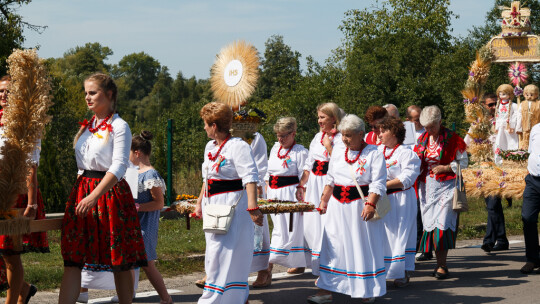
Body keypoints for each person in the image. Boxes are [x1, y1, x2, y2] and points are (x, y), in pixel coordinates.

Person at [59, 73, 147, 304]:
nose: (87, 98)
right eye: (85, 93)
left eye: (93, 92)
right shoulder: (88, 126)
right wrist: (81, 196)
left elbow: (118, 167)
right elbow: (82, 166)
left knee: (118, 262)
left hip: (109, 195)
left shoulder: (120, 126)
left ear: (109, 95)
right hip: (83, 191)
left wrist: (93, 196)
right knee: (73, 259)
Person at [308, 114, 387, 304]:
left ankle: (366, 289)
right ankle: (326, 290)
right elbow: (330, 179)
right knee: (332, 246)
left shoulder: (374, 153)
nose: (344, 139)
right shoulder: (337, 151)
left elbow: (378, 183)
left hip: (360, 208)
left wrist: (370, 203)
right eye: (343, 135)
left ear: (361, 134)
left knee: (361, 246)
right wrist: (324, 201)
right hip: (337, 207)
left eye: (349, 135)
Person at [194, 102, 263, 303]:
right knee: (214, 253)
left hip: (232, 207)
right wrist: (199, 203)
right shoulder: (210, 146)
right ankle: (232, 297)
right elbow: (207, 179)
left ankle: (219, 298)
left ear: (214, 125)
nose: (204, 128)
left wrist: (253, 207)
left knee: (227, 254)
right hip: (212, 206)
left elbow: (250, 177)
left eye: (205, 124)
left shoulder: (238, 146)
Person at [0, 75, 48, 304]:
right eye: (0, 91)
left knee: (11, 253)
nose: (3, 95)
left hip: (17, 194)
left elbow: (31, 166)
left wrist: (31, 203)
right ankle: (25, 289)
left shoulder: (27, 123)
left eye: (8, 91)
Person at [414, 105, 468, 280]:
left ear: (440, 122)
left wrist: (446, 167)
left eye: (432, 127)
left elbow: (464, 163)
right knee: (429, 225)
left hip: (447, 186)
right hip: (426, 187)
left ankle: (442, 265)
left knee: (442, 225)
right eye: (426, 127)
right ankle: (436, 263)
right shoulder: (422, 139)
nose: (429, 130)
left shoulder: (453, 139)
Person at [296, 102, 345, 278]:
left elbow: (341, 162)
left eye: (322, 117)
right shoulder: (317, 137)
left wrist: (328, 146)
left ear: (333, 118)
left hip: (328, 182)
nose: (319, 121)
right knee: (312, 223)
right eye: (318, 117)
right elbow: (309, 163)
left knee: (328, 222)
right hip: (314, 183)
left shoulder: (341, 138)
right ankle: (316, 264)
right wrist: (302, 185)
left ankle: (330, 264)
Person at [377, 117, 420, 287]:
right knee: (382, 234)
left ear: (394, 133)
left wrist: (381, 185)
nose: (379, 134)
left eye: (383, 131)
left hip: (401, 199)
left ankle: (401, 271)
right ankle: (382, 270)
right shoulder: (377, 151)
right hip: (382, 197)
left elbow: (407, 178)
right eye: (379, 131)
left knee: (399, 234)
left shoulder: (407, 153)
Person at [129, 131, 172, 304]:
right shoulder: (133, 173)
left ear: (137, 153)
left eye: (129, 153)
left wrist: (137, 207)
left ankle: (166, 298)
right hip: (134, 224)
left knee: (147, 263)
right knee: (130, 262)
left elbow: (159, 203)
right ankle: (128, 296)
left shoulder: (150, 175)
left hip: (146, 226)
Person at [266, 117, 310, 276]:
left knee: (289, 230)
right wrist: (266, 188)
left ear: (293, 133)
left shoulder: (300, 152)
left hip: (290, 194)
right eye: (278, 135)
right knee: (278, 227)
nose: (280, 139)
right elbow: (268, 171)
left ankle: (268, 266)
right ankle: (298, 262)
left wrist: (302, 195)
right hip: (273, 193)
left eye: (284, 135)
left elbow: (304, 175)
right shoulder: (274, 148)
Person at [469, 93, 510, 253]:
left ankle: (491, 240)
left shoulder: (503, 122)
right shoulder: (477, 125)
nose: (493, 107)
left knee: (493, 205)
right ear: (483, 106)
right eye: (490, 104)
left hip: (501, 168)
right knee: (493, 205)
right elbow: (467, 143)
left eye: (495, 104)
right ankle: (500, 239)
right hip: (485, 168)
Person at [249, 131, 271, 288]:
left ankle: (264, 269)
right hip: (231, 191)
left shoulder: (253, 136)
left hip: (252, 186)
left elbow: (260, 164)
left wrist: (257, 187)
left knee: (258, 228)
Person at [520, 122, 540, 274]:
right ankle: (532, 259)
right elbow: (531, 152)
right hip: (533, 180)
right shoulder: (535, 128)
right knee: (527, 217)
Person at [493, 84, 519, 165]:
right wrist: (496, 126)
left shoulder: (514, 105)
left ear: (510, 94)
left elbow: (516, 116)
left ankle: (512, 160)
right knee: (499, 143)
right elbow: (497, 117)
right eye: (500, 94)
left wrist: (511, 125)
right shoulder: (498, 105)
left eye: (503, 94)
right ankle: (499, 161)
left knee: (511, 143)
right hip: (500, 128)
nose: (501, 96)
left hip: (509, 128)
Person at [516, 84, 540, 150]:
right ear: (524, 94)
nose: (529, 97)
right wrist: (518, 127)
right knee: (525, 140)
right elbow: (519, 116)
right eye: (527, 94)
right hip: (525, 127)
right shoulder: (522, 104)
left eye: (531, 95)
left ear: (536, 94)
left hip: (536, 126)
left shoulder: (538, 103)